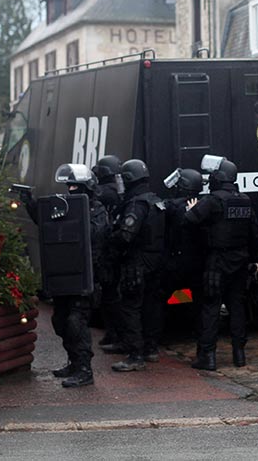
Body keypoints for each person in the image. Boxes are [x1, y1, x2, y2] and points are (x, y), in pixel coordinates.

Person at [24, 163, 109, 388]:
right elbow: (46, 225)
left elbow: (95, 235)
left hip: (85, 277)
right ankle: (73, 361)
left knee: (75, 322)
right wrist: (29, 203)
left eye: (74, 186)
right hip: (64, 273)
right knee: (59, 321)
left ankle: (84, 369)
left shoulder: (97, 211)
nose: (70, 190)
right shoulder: (64, 206)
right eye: (68, 186)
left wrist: (74, 214)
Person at [184, 155, 258, 371]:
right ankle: (239, 354)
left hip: (217, 262)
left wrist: (191, 209)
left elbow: (189, 221)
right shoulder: (244, 200)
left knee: (210, 308)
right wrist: (254, 259)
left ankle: (208, 357)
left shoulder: (213, 200)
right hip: (241, 261)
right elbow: (255, 233)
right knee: (237, 307)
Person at [107, 158, 166, 371]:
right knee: (152, 307)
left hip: (137, 263)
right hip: (156, 262)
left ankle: (135, 354)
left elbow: (126, 235)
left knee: (130, 307)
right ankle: (150, 349)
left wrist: (109, 237)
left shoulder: (137, 204)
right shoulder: (156, 201)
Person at [162, 168, 206, 325]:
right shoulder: (203, 206)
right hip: (197, 262)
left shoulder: (171, 207)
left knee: (159, 298)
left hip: (175, 261)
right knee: (199, 302)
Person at [92, 155, 125, 352]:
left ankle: (116, 334)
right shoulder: (118, 191)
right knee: (110, 297)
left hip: (107, 252)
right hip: (114, 251)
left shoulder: (104, 193)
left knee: (111, 297)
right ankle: (113, 333)